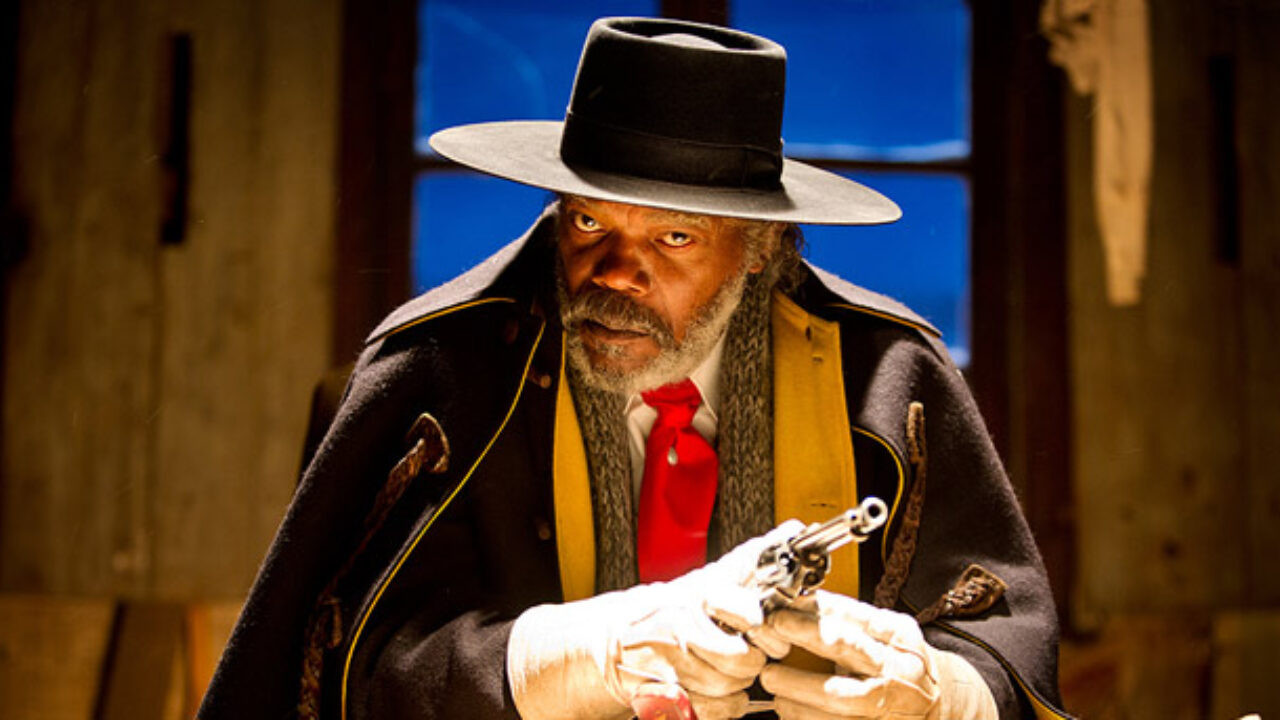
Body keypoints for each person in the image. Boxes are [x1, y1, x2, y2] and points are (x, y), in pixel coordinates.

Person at [200, 16, 1068, 720]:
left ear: (760, 249)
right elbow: (345, 667)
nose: (616, 274)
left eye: (675, 237)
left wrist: (936, 695)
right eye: (588, 224)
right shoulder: (439, 374)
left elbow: (1001, 647)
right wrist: (599, 651)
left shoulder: (887, 376)